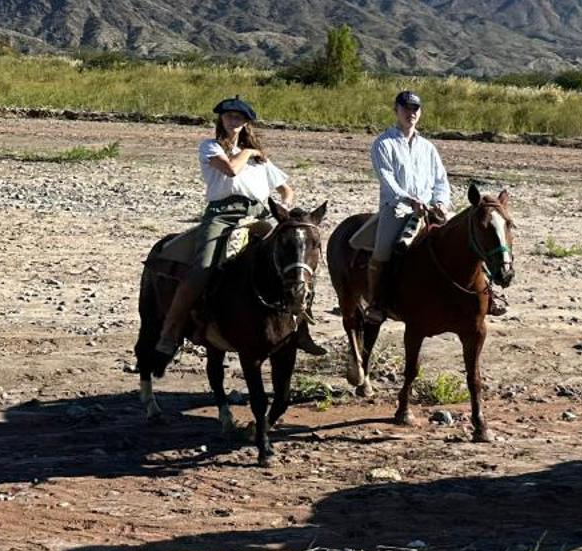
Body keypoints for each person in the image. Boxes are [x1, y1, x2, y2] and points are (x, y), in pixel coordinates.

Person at [153, 96, 322, 370]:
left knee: (295, 260)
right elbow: (231, 170)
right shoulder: (211, 147)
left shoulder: (261, 161)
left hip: (260, 213)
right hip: (223, 215)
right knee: (205, 265)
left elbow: (286, 188)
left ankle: (300, 328)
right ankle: (171, 331)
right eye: (229, 115)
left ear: (246, 122)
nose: (234, 120)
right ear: (221, 119)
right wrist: (251, 152)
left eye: (239, 117)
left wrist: (285, 205)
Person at [364, 90, 452, 319]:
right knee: (382, 251)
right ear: (396, 110)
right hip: (398, 208)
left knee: (463, 238)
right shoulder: (383, 144)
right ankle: (376, 302)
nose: (411, 113)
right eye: (406, 108)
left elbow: (440, 180)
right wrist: (408, 200)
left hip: (430, 209)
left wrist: (441, 201)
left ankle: (482, 294)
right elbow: (387, 179)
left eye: (415, 109)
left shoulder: (428, 148)